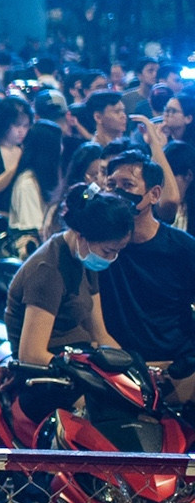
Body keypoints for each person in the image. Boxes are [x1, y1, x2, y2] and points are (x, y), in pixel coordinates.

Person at [4, 183, 133, 367]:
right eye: (107, 251)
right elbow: (31, 354)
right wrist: (82, 372)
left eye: (117, 252)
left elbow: (99, 333)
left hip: (78, 358)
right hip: (50, 374)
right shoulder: (48, 270)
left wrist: (131, 367)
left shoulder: (85, 260)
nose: (111, 258)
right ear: (81, 236)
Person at [98, 155, 195, 372]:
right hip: (116, 367)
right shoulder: (99, 246)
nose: (117, 193)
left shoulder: (182, 248)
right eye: (111, 185)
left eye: (128, 185)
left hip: (173, 366)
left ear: (154, 194)